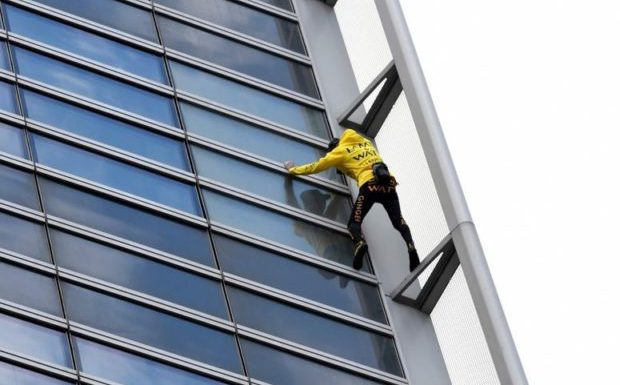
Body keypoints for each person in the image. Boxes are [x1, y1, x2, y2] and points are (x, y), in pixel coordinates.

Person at [284, 129, 420, 272]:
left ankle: (360, 243)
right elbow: (359, 160)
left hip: (369, 187)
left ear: (334, 149)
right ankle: (411, 247)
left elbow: (316, 166)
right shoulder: (365, 142)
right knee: (398, 221)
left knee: (353, 224)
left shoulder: (340, 152)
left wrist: (293, 169)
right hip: (389, 185)